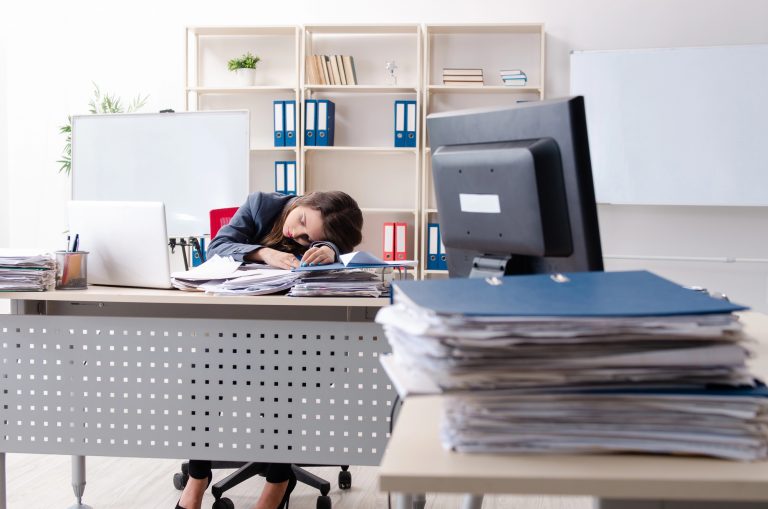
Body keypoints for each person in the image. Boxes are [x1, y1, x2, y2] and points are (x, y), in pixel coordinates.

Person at [175, 190, 363, 509]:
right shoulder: (262, 205)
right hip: (238, 335)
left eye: (307, 238)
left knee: (277, 375)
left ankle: (278, 481)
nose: (296, 234)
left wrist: (328, 248)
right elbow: (218, 247)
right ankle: (197, 478)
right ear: (307, 200)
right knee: (202, 372)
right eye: (301, 221)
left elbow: (342, 255)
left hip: (298, 344)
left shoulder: (320, 241)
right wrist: (264, 254)